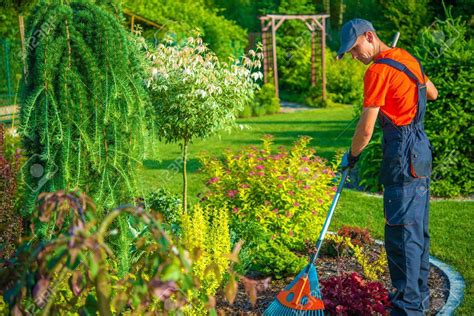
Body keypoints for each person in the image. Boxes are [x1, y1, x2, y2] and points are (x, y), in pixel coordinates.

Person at [338, 19, 438, 315]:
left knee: (401, 234)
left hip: (401, 152)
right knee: (416, 230)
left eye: (356, 49)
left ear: (370, 36)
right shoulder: (405, 58)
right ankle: (418, 300)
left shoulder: (378, 71)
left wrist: (353, 155)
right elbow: (432, 93)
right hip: (420, 148)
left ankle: (407, 308)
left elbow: (366, 130)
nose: (355, 57)